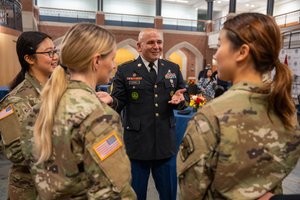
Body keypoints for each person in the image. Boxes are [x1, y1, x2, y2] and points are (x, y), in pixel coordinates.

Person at [177, 12, 300, 200]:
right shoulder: (285, 108)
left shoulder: (212, 114)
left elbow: (192, 191)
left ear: (242, 52)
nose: (216, 55)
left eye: (219, 45)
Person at [21, 23, 136, 199]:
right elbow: (112, 190)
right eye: (112, 59)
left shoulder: (41, 107)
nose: (114, 66)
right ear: (97, 61)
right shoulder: (99, 116)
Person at [98, 28, 189, 200]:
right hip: (137, 147)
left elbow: (184, 95)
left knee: (169, 194)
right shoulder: (126, 70)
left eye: (159, 42)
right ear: (139, 46)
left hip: (165, 145)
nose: (156, 46)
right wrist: (111, 100)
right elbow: (119, 101)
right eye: (151, 42)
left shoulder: (173, 68)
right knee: (135, 195)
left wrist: (181, 99)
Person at [0, 31, 58, 199]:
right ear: (29, 59)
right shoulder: (14, 101)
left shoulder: (58, 90)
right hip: (30, 190)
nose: (54, 57)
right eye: (49, 53)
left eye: (55, 51)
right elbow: (17, 153)